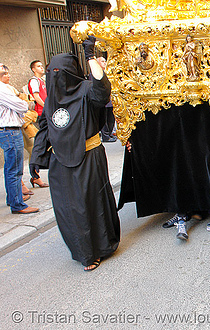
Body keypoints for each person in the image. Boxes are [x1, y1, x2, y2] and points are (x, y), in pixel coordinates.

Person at [30, 37, 120, 272]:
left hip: (88, 158)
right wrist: (36, 157)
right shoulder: (51, 99)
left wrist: (90, 56)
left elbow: (103, 89)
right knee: (68, 210)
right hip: (61, 162)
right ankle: (83, 252)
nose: (55, 76)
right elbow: (44, 128)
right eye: (51, 71)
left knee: (90, 205)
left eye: (59, 71)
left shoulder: (86, 91)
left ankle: (99, 248)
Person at [0, 63, 39, 214]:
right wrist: (24, 103)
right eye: (4, 72)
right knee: (14, 169)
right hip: (9, 131)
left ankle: (13, 199)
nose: (7, 74)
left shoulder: (5, 88)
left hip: (9, 130)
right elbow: (22, 106)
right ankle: (17, 204)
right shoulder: (2, 89)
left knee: (12, 168)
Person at [27, 60, 49, 188]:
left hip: (44, 113)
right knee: (40, 144)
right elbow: (36, 96)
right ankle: (35, 175)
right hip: (41, 114)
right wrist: (46, 107)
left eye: (42, 66)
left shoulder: (43, 81)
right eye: (39, 66)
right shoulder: (34, 81)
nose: (41, 68)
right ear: (33, 69)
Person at [96, 57, 117, 143]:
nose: (105, 63)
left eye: (105, 61)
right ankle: (106, 136)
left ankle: (110, 133)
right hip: (103, 100)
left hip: (111, 99)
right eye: (102, 61)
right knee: (104, 118)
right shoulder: (96, 73)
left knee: (111, 118)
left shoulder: (109, 72)